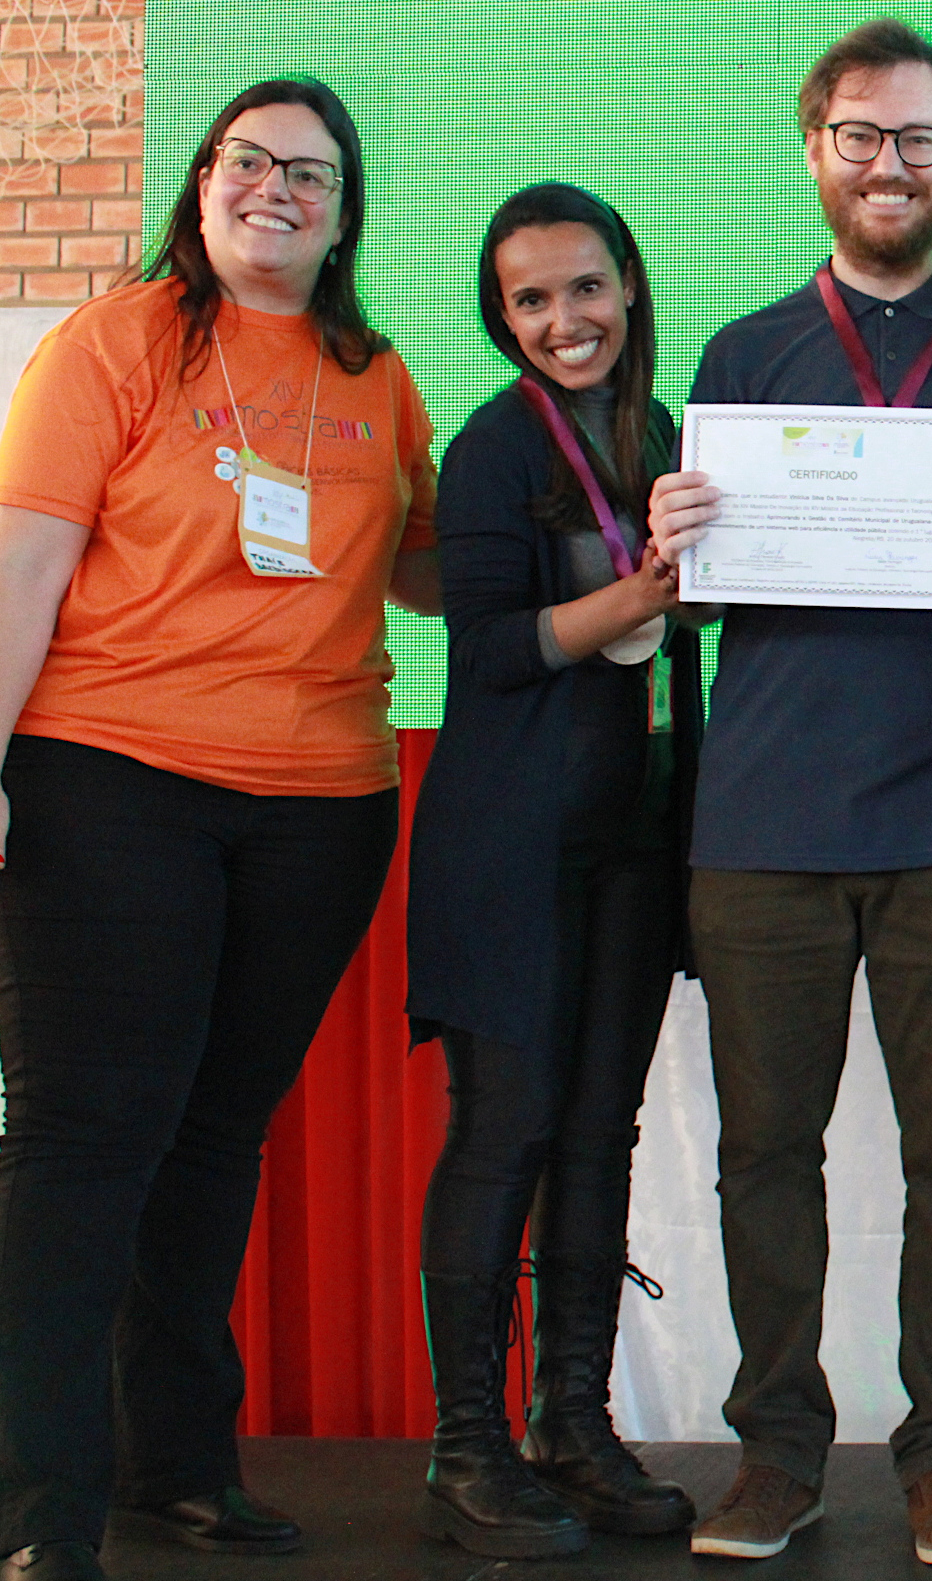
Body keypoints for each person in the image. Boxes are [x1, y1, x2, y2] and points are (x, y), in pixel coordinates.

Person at [644, 18, 932, 1565]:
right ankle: (775, 1455)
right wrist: (678, 546)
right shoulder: (741, 354)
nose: (889, 164)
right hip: (761, 831)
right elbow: (699, 598)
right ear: (814, 151)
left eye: (919, 138)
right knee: (766, 1159)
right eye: (859, 135)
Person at [0, 78, 440, 1581]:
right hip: (111, 782)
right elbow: (24, 569)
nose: (276, 190)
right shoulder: (112, 345)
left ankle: (174, 1471)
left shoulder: (375, 376)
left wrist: (612, 528)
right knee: (83, 1141)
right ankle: (39, 1510)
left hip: (322, 807)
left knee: (211, 1141)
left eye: (311, 173)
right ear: (201, 185)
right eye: (250, 162)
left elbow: (425, 567)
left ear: (345, 213)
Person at [404, 184, 705, 1558]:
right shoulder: (490, 447)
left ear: (628, 283)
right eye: (530, 299)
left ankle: (571, 1427)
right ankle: (466, 1446)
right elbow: (485, 650)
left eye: (585, 287)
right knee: (505, 1130)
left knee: (599, 1131)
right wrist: (635, 599)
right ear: (502, 317)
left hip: (640, 832)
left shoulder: (666, 438)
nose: (564, 319)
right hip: (509, 842)